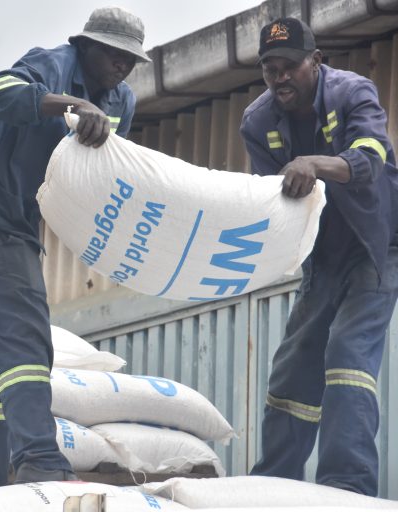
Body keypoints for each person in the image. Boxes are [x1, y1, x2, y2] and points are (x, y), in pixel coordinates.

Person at [0, 7, 149, 495]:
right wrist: (70, 103)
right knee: (25, 339)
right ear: (87, 46)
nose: (122, 66)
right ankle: (39, 459)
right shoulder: (53, 63)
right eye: (114, 55)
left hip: (20, 225)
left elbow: (106, 169)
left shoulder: (122, 101)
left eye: (131, 60)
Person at [240, 17, 398, 496]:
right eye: (270, 69)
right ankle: (274, 484)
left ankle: (345, 487)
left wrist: (314, 164)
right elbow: (273, 201)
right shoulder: (258, 122)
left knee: (347, 354)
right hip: (321, 257)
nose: (280, 77)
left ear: (316, 61)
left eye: (290, 65)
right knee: (294, 365)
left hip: (376, 247)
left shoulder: (353, 92)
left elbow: (370, 157)